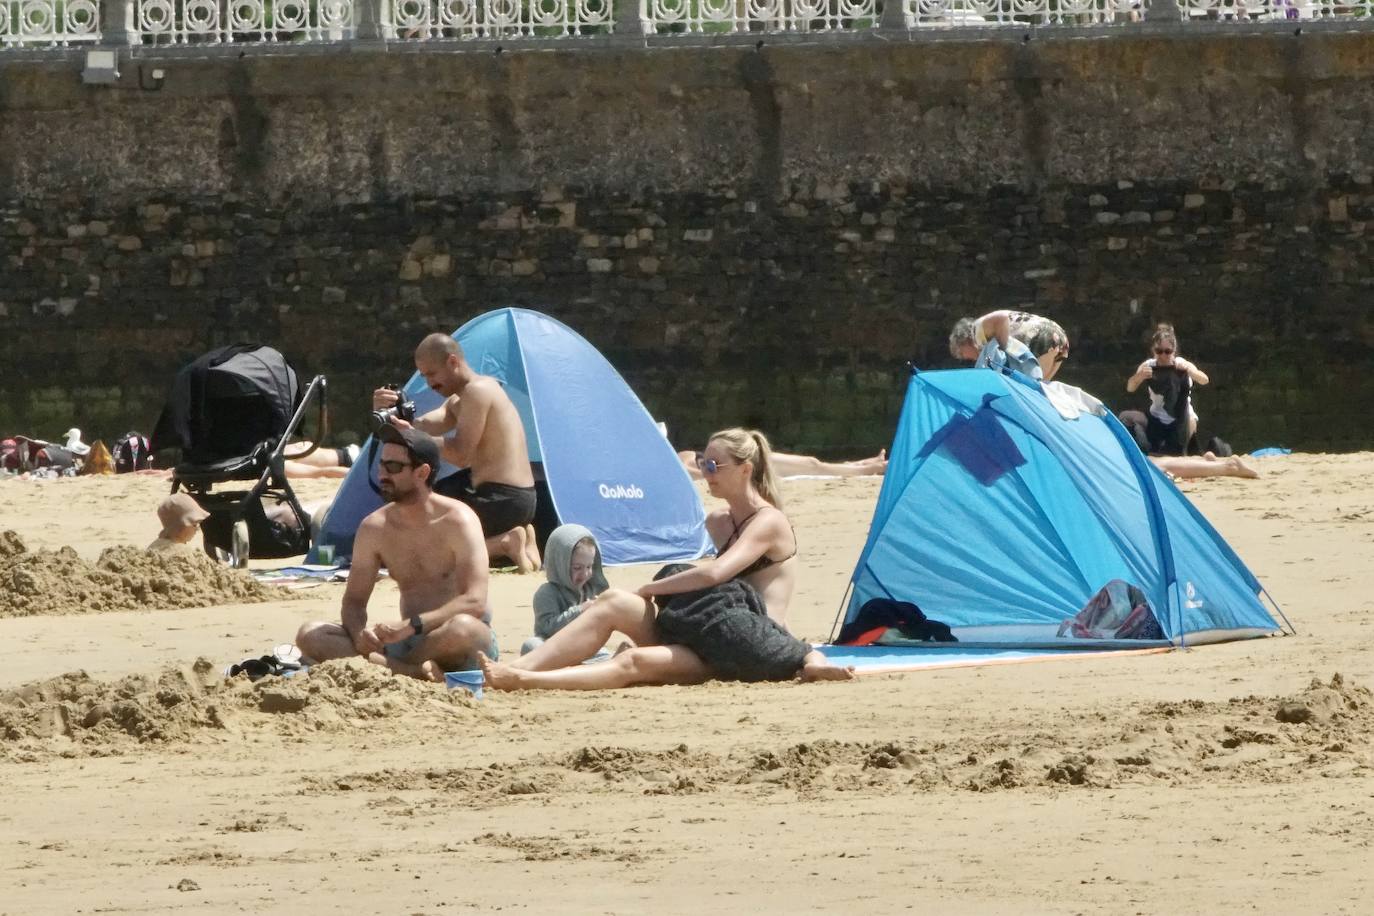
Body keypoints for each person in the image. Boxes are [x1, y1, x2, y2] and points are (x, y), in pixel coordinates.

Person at [479, 428, 854, 691]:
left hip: (744, 640)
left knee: (633, 664)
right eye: (703, 465)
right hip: (707, 625)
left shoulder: (769, 521)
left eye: (714, 467)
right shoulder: (720, 522)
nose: (706, 474)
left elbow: (715, 574)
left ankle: (526, 680)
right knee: (614, 602)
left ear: (745, 469)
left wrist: (650, 588)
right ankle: (516, 667)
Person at [294, 424, 495, 682]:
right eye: (381, 465)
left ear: (422, 473)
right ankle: (410, 671)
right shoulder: (374, 527)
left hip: (451, 639)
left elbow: (474, 602)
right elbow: (354, 602)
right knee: (310, 634)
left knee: (465, 629)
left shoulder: (458, 520)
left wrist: (412, 625)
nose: (383, 474)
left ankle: (393, 669)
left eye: (394, 467)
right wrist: (359, 635)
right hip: (405, 643)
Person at [374, 334, 541, 573]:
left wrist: (417, 437)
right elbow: (424, 425)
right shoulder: (459, 399)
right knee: (425, 507)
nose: (430, 383)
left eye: (432, 374)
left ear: (453, 362)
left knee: (425, 549)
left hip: (502, 500)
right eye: (424, 376)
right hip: (511, 500)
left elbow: (461, 454)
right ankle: (523, 542)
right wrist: (388, 415)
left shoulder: (478, 391)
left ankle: (502, 544)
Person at [520, 524, 609, 656]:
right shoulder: (547, 593)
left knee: (604, 653)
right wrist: (580, 610)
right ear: (559, 563)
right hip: (554, 648)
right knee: (531, 646)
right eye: (577, 568)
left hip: (583, 647)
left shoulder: (591, 590)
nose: (584, 574)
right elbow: (547, 628)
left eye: (589, 567)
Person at [1121, 323, 1210, 456]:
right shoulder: (1148, 365)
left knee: (1190, 423)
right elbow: (1130, 388)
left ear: (1174, 351)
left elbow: (1204, 380)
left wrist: (1189, 370)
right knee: (1125, 417)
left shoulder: (1181, 363)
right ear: (1153, 350)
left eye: (1167, 352)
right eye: (1159, 351)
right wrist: (1139, 377)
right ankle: (1140, 450)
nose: (1163, 356)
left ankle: (1183, 453)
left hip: (1182, 418)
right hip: (1155, 416)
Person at [950, 310, 1071, 382]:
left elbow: (1001, 318)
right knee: (1039, 391)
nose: (966, 358)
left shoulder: (977, 329)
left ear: (963, 341)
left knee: (1030, 392)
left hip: (1041, 335)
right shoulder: (986, 342)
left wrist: (1005, 347)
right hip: (1059, 338)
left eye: (961, 353)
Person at [677, 448, 886, 480]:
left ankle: (861, 465)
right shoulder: (681, 459)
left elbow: (691, 471)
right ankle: (867, 468)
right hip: (742, 465)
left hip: (743, 459)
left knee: (812, 464)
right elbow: (692, 473)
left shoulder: (684, 455)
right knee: (812, 465)